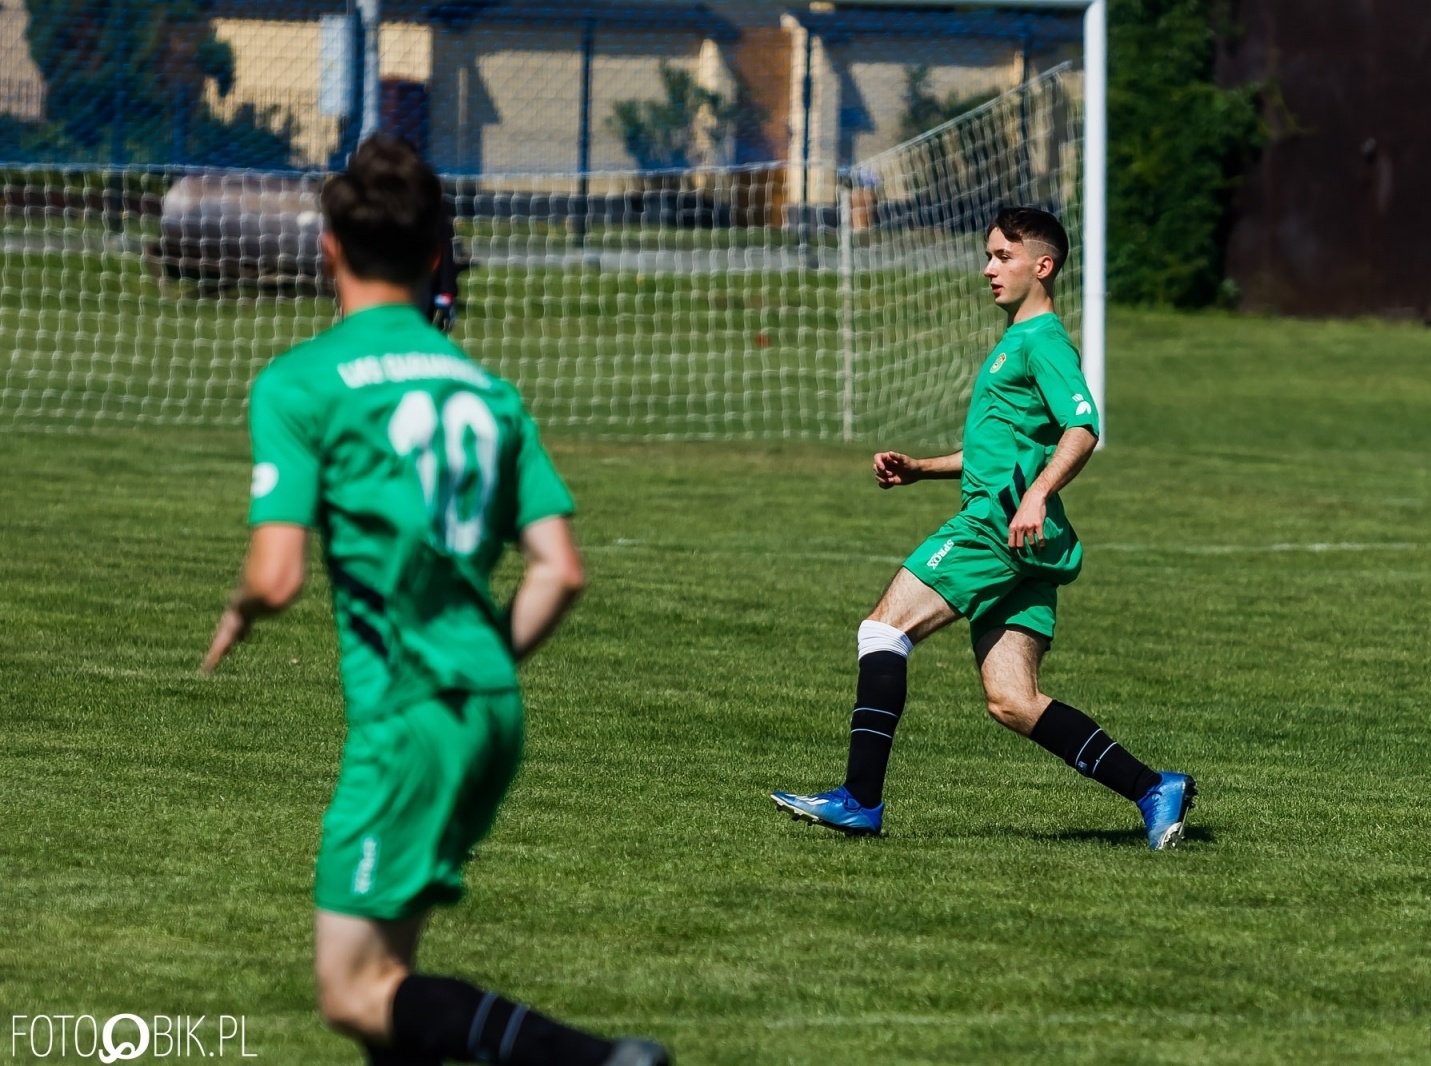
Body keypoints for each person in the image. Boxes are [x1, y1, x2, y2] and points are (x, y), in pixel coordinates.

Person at [201, 135, 668, 1066]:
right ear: (434, 257)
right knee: (395, 982)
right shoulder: (488, 391)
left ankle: (591, 1061)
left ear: (327, 250)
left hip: (407, 717)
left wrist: (242, 610)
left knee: (351, 991)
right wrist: (482, 663)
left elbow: (277, 574)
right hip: (492, 706)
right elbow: (560, 571)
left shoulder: (302, 382)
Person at [771, 206, 1195, 849]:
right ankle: (1152, 788)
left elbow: (1083, 429)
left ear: (1042, 267)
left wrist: (1035, 498)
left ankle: (859, 798)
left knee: (883, 631)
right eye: (989, 255)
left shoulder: (1043, 342)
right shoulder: (1015, 344)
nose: (988, 268)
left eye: (1003, 256)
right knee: (1013, 701)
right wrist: (922, 468)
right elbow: (1000, 454)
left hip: (998, 528)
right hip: (1029, 539)